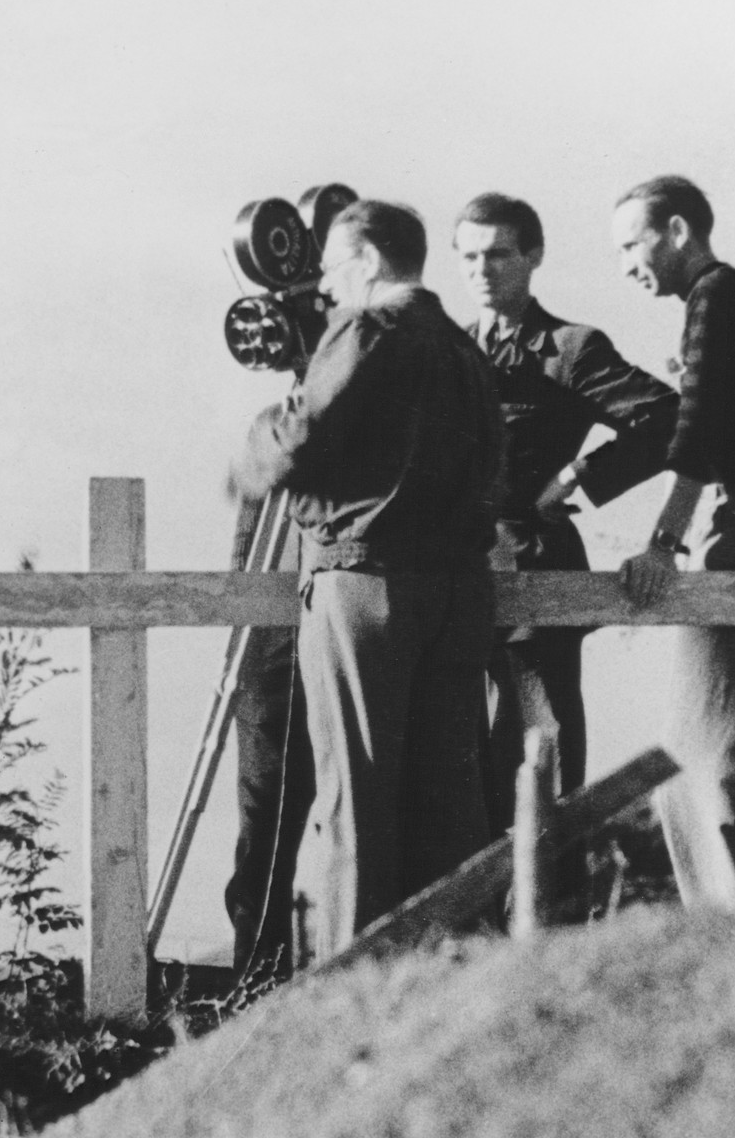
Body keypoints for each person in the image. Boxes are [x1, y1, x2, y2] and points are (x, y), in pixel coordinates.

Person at [229, 199, 504, 960]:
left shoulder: (365, 330)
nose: (325, 286)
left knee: (355, 801)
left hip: (367, 584)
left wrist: (258, 437)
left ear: (368, 260)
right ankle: (451, 986)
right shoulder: (465, 349)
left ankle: (350, 992)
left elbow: (297, 446)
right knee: (449, 810)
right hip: (459, 595)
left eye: (331, 267)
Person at [611, 175, 735, 904]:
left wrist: (663, 542)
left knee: (700, 768)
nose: (627, 263)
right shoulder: (728, 300)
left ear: (675, 232)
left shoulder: (717, 296)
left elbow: (697, 430)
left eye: (632, 242)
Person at [451, 192, 681, 842]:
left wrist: (581, 474)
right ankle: (474, 940)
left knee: (539, 762)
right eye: (468, 257)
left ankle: (549, 928)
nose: (483, 270)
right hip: (450, 589)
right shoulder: (444, 351)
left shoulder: (569, 348)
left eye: (498, 254)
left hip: (534, 585)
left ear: (532, 256)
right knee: (459, 775)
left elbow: (669, 419)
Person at [220, 494, 313, 980]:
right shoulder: (279, 428)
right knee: (266, 814)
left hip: (352, 615)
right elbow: (245, 546)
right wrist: (238, 637)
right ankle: (257, 976)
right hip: (272, 632)